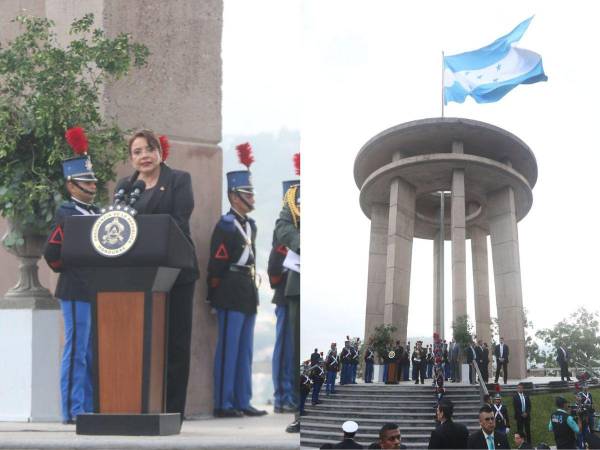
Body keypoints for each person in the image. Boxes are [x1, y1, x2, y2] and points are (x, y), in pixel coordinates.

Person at [118, 130, 199, 418]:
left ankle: (173, 409)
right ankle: (141, 404)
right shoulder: (125, 187)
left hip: (176, 271)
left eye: (148, 149)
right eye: (137, 152)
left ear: (160, 152)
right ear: (132, 158)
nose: (144, 156)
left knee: (175, 342)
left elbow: (178, 220)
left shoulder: (178, 180)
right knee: (141, 342)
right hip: (137, 274)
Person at [44, 128, 100, 424]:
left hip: (96, 289)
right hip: (75, 287)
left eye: (92, 180)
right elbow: (52, 252)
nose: (91, 185)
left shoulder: (98, 212)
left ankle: (88, 406)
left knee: (91, 352)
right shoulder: (66, 213)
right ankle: (72, 409)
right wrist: (72, 268)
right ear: (71, 185)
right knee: (76, 349)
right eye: (84, 181)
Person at [207, 142, 266, 418]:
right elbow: (216, 262)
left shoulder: (250, 225)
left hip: (246, 288)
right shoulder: (225, 225)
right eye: (247, 193)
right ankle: (224, 402)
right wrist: (213, 293)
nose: (252, 198)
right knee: (229, 349)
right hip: (229, 288)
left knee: (244, 350)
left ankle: (243, 399)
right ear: (234, 196)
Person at [275, 158, 301, 433]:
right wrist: (301, 242)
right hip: (298, 281)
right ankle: (300, 411)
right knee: (296, 350)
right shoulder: (295, 195)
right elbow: (282, 227)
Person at [268, 226, 295, 414]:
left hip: (298, 297)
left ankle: (292, 396)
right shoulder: (287, 231)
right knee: (285, 350)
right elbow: (274, 268)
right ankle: (283, 397)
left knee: (292, 350)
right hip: (286, 297)